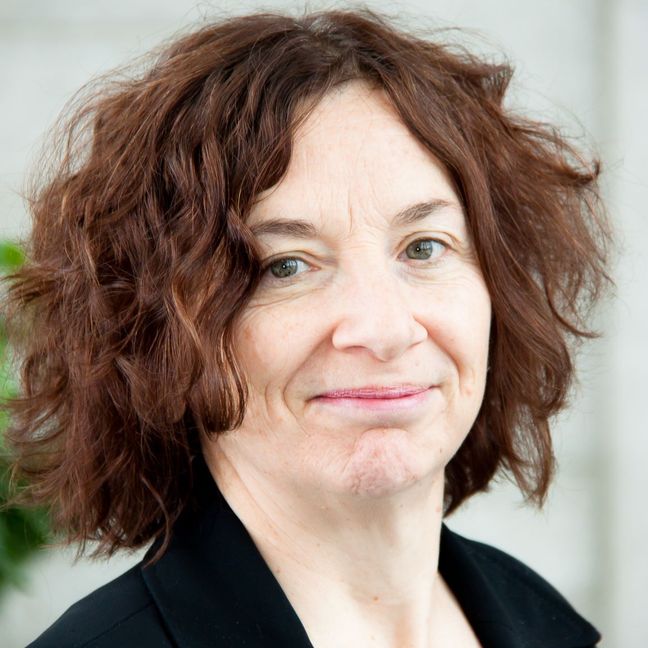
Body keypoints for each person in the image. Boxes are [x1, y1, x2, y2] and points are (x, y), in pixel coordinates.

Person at [3, 8, 611, 648]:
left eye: (424, 247)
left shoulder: (544, 624)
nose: (385, 329)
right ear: (160, 332)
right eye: (286, 266)